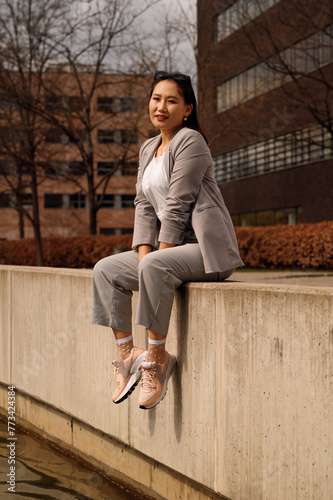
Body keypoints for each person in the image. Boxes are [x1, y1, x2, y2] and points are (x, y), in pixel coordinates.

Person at [91, 71, 243, 410]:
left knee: (156, 265)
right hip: (167, 250)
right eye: (157, 98)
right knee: (105, 270)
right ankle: (129, 354)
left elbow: (177, 204)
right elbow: (144, 206)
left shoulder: (191, 141)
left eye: (171, 100)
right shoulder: (148, 149)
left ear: (187, 109)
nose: (161, 106)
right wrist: (145, 257)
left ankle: (157, 360)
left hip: (206, 251)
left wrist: (154, 260)